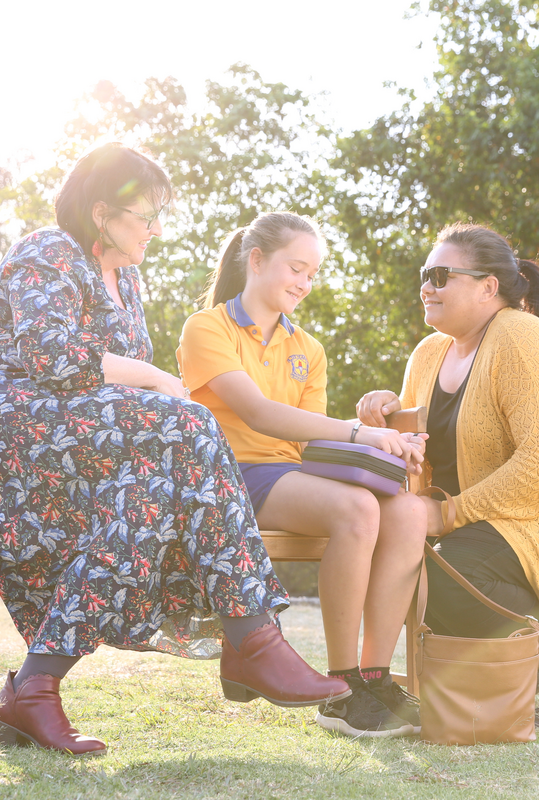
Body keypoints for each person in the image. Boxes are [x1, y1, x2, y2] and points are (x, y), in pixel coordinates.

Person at [0, 144, 349, 757]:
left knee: (152, 491)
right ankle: (251, 639)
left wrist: (155, 388)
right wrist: (157, 380)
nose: (156, 228)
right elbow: (51, 361)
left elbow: (126, 384)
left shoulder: (128, 276)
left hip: (86, 439)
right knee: (186, 423)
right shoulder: (47, 252)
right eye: (147, 215)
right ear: (102, 212)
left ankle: (36, 686)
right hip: (9, 425)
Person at [356, 223, 539, 727]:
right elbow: (424, 462)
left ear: (489, 287)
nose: (426, 286)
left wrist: (446, 514)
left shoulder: (523, 337)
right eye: (425, 275)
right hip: (492, 527)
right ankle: (489, 684)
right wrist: (387, 417)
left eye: (440, 275)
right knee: (419, 568)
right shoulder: (427, 354)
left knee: (444, 577)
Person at [176, 212, 429, 738]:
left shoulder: (309, 350)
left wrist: (393, 440)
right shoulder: (206, 328)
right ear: (257, 260)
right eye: (297, 268)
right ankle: (342, 689)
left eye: (312, 274)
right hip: (224, 479)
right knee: (357, 508)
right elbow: (260, 415)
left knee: (406, 510)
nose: (305, 284)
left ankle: (375, 677)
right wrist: (357, 432)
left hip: (286, 476)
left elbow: (306, 440)